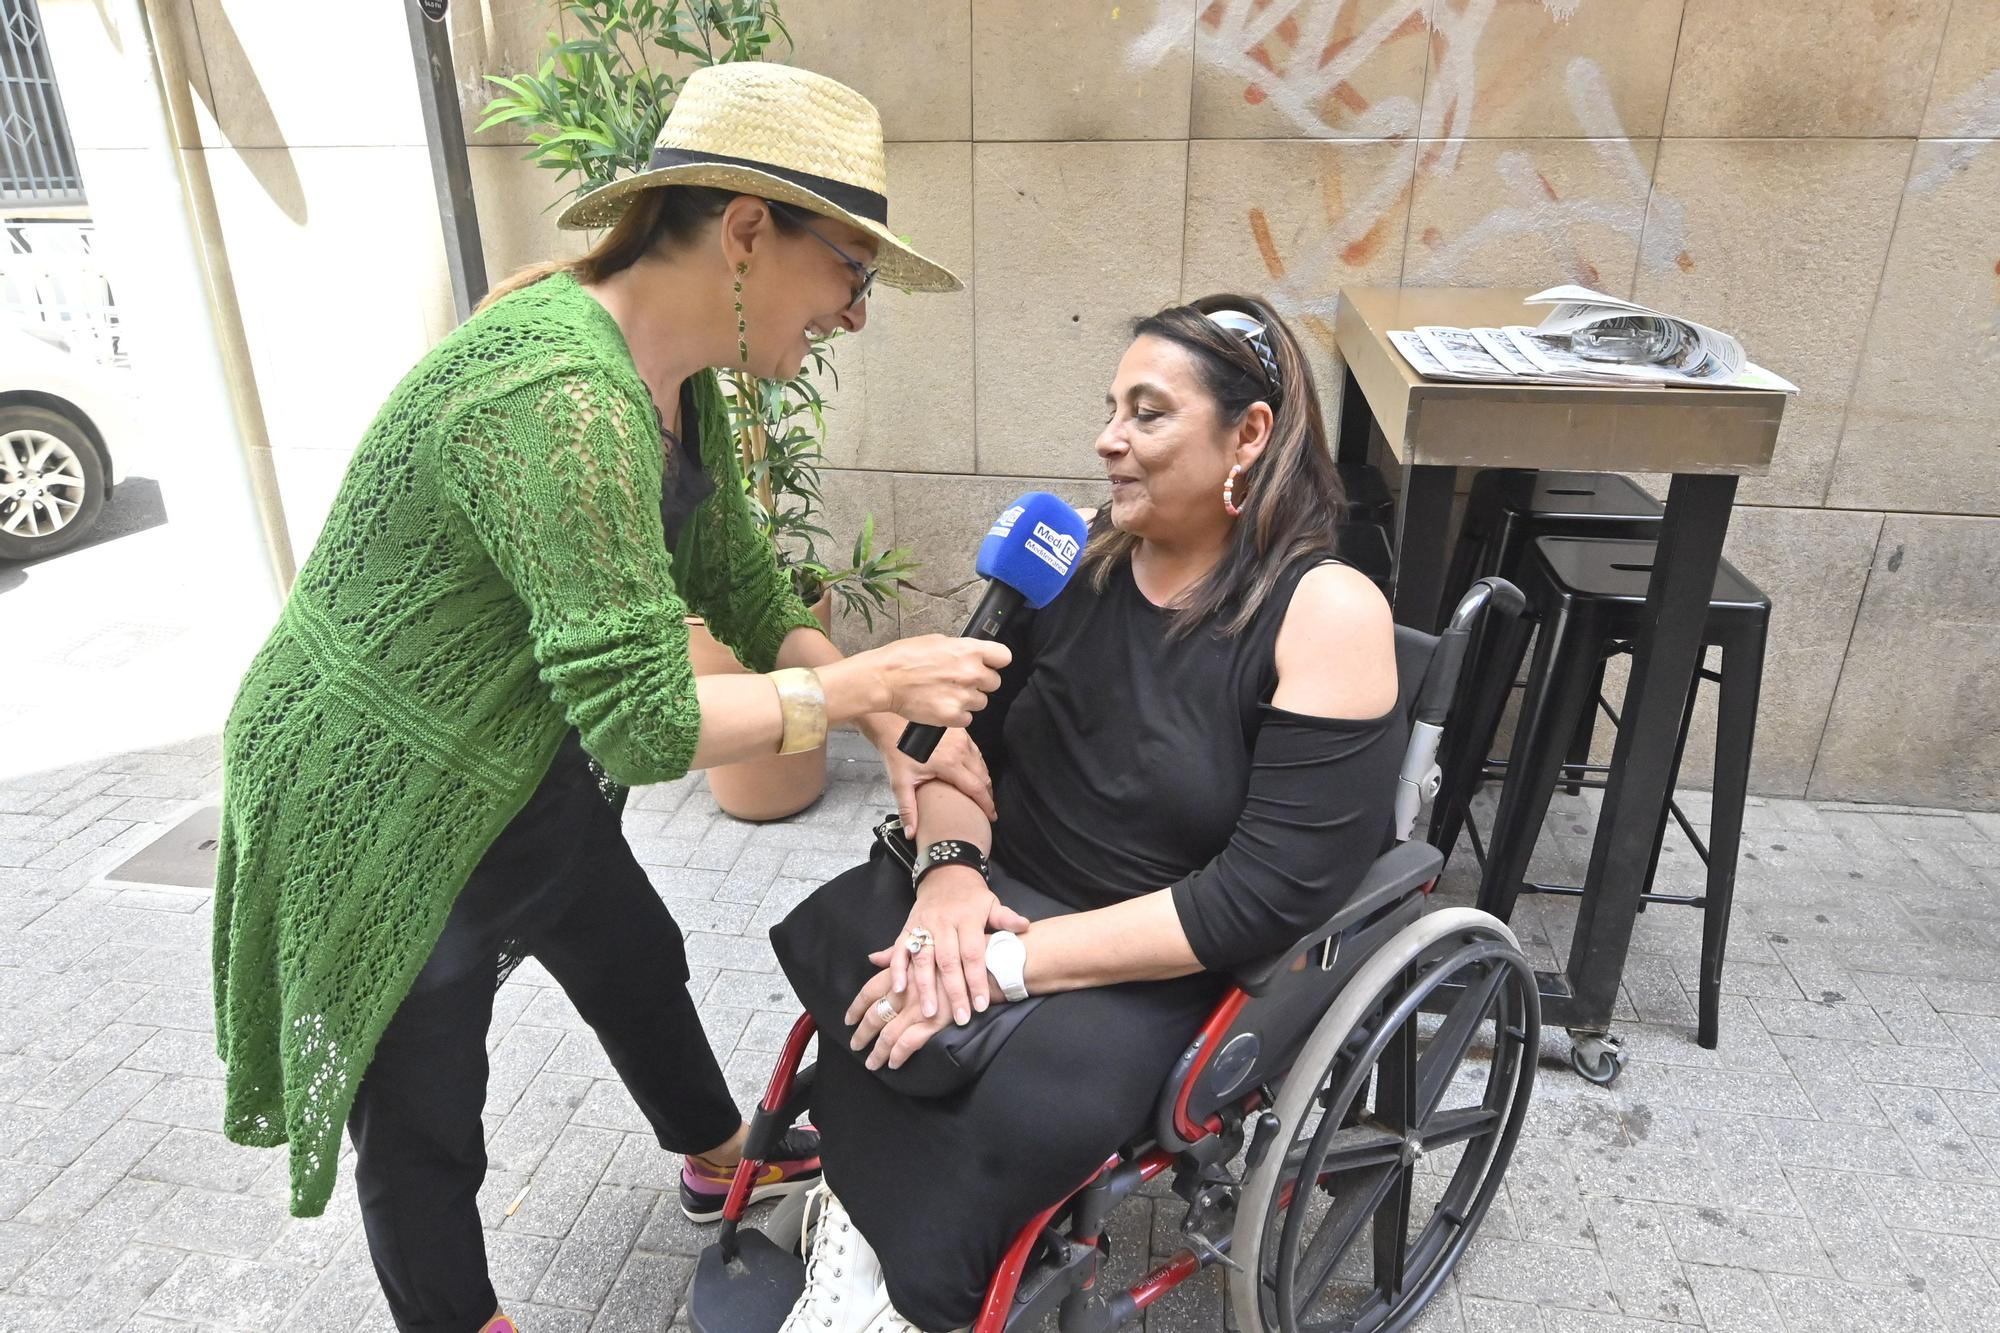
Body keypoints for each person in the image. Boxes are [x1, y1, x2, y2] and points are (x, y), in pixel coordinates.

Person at [210, 63, 1010, 1333]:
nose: (856, 312)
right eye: (850, 269)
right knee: (423, 1105)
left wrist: (882, 723)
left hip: (509, 757)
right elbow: (644, 725)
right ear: (746, 228)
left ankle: (710, 1149)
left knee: (630, 949)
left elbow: (739, 581)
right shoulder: (561, 391)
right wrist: (862, 680)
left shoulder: (668, 373)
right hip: (373, 779)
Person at [776, 295, 1409, 1332]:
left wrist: (1000, 965)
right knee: (869, 953)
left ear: (1247, 435)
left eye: (1147, 413)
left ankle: (910, 1287)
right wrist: (946, 882)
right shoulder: (1067, 561)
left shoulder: (1325, 611)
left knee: (1018, 1087)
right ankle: (857, 1237)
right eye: (1110, 406)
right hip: (987, 889)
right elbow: (950, 745)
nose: (1105, 438)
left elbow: (1258, 897)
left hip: (1155, 948)